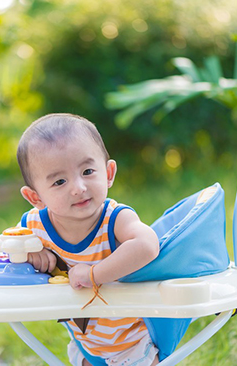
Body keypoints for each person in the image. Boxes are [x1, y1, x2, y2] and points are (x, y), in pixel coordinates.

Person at [17, 113, 160, 366]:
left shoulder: (114, 218)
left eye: (87, 171)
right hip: (85, 344)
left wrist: (94, 274)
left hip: (135, 342)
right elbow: (5, 250)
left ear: (108, 173)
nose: (78, 187)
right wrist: (29, 254)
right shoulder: (34, 225)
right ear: (35, 197)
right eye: (60, 181)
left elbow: (148, 245)